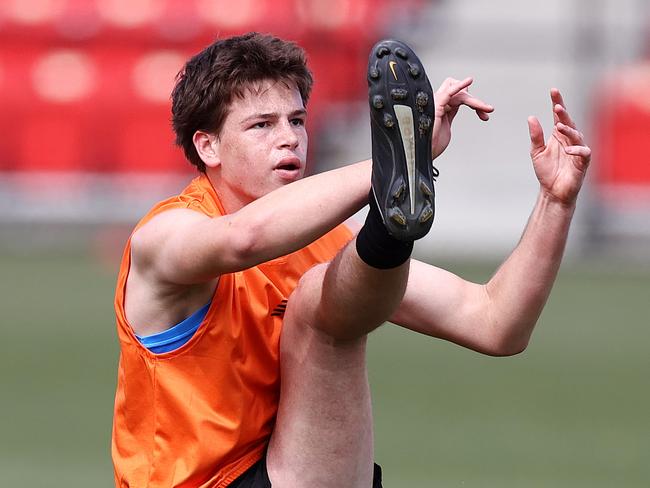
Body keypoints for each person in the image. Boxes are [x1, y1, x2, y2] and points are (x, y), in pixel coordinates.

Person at [111, 32, 591, 488]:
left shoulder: (325, 240)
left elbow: (496, 324)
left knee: (326, 286)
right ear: (207, 145)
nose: (290, 139)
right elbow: (244, 238)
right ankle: (388, 227)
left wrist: (556, 202)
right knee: (317, 301)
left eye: (297, 120)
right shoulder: (165, 236)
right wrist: (400, 161)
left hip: (296, 472)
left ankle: (388, 232)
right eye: (262, 125)